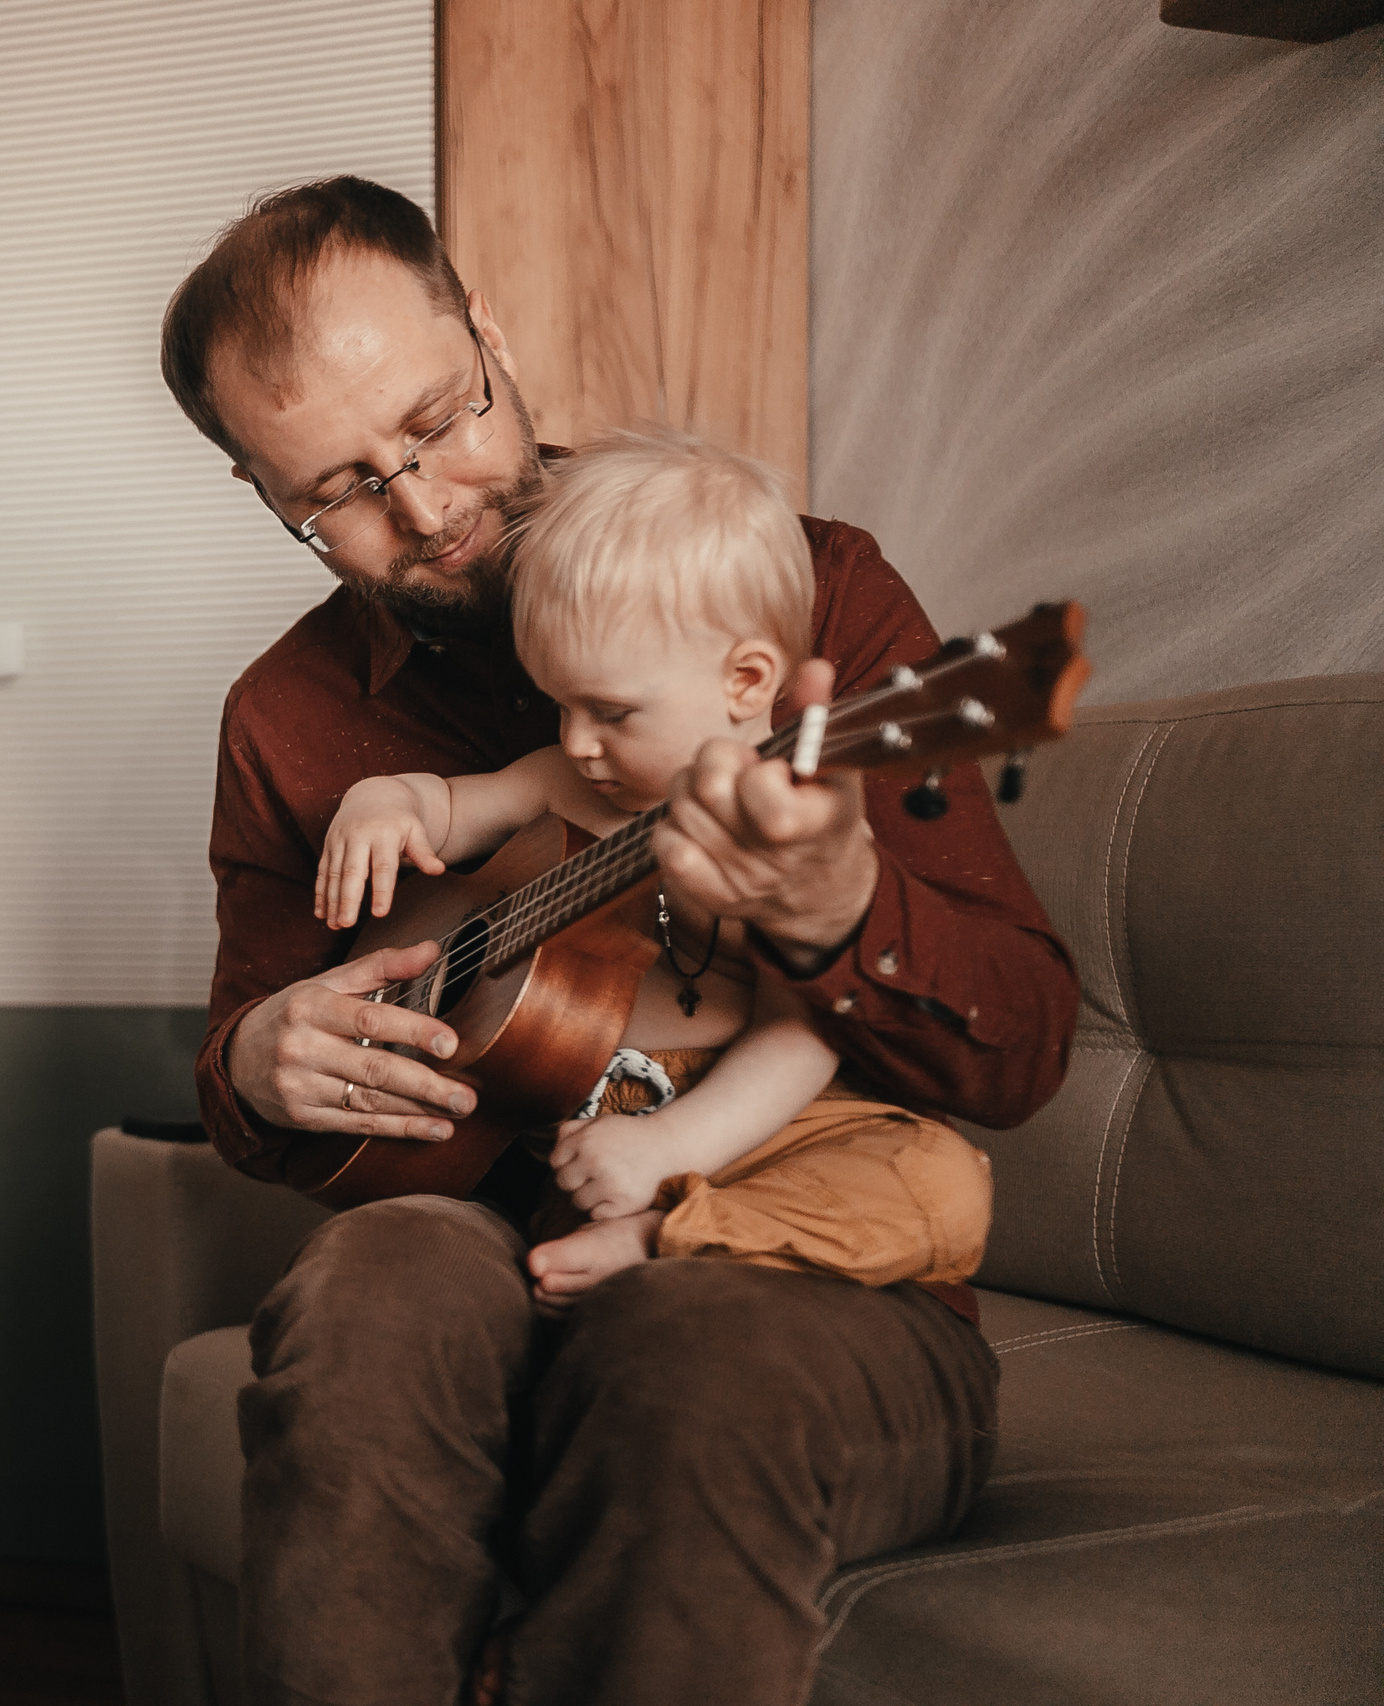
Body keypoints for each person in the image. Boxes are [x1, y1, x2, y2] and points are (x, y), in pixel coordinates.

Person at [160, 177, 1078, 1704]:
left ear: (492, 336)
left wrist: (839, 908)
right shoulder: (288, 719)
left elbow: (1027, 1042)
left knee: (684, 1358)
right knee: (368, 1290)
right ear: (271, 500)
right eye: (339, 489)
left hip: (801, 1274)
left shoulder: (807, 590)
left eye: (443, 417)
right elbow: (235, 1083)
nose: (428, 504)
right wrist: (263, 1056)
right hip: (491, 1233)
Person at [314, 426, 991, 1314]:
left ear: (747, 681)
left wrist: (673, 1148)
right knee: (543, 1194)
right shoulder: (565, 778)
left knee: (944, 1182)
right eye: (559, 703)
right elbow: (448, 808)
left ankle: (665, 1240)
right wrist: (384, 801)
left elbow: (802, 1035)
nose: (575, 742)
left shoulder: (791, 831)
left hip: (761, 1121)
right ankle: (641, 1240)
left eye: (611, 711)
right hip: (597, 1125)